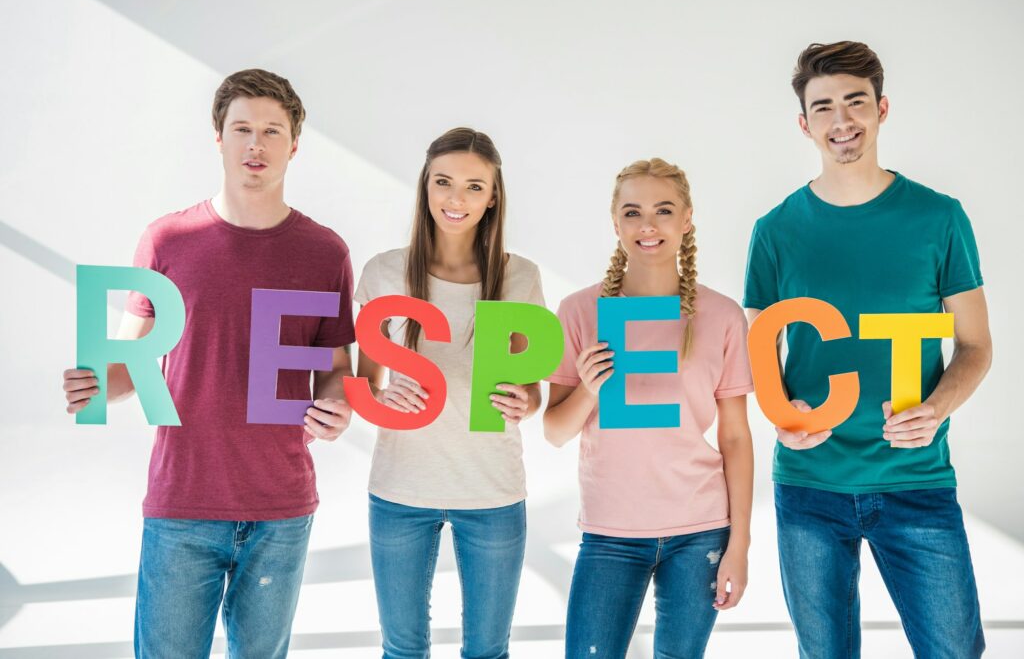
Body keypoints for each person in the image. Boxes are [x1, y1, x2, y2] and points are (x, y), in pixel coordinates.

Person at [62, 69, 355, 658]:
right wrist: (93, 384)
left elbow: (335, 367)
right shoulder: (168, 240)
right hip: (182, 502)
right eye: (242, 127)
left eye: (272, 131)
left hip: (280, 504)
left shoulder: (325, 251)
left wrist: (339, 405)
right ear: (217, 138)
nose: (256, 144)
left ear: (294, 144)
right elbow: (129, 363)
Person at [743, 41, 991, 658]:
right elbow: (757, 352)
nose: (841, 119)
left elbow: (976, 345)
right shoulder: (774, 232)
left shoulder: (940, 218)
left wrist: (937, 408)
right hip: (808, 485)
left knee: (955, 651)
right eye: (823, 106)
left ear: (882, 109)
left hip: (916, 480)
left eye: (855, 101)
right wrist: (782, 413)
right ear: (805, 124)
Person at [544, 158, 754, 658]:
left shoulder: (721, 315)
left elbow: (736, 438)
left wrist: (740, 546)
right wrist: (591, 389)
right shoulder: (579, 311)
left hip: (699, 529)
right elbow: (553, 431)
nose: (648, 226)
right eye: (633, 213)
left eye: (663, 210)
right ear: (616, 222)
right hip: (610, 532)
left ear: (687, 219)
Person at [353, 127, 545, 659]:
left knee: (488, 650)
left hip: (493, 491)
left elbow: (535, 389)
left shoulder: (519, 276)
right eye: (443, 182)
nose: (456, 199)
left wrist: (526, 402)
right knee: (402, 649)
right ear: (425, 187)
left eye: (473, 187)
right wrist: (380, 398)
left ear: (493, 196)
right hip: (399, 489)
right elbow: (364, 383)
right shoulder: (384, 273)